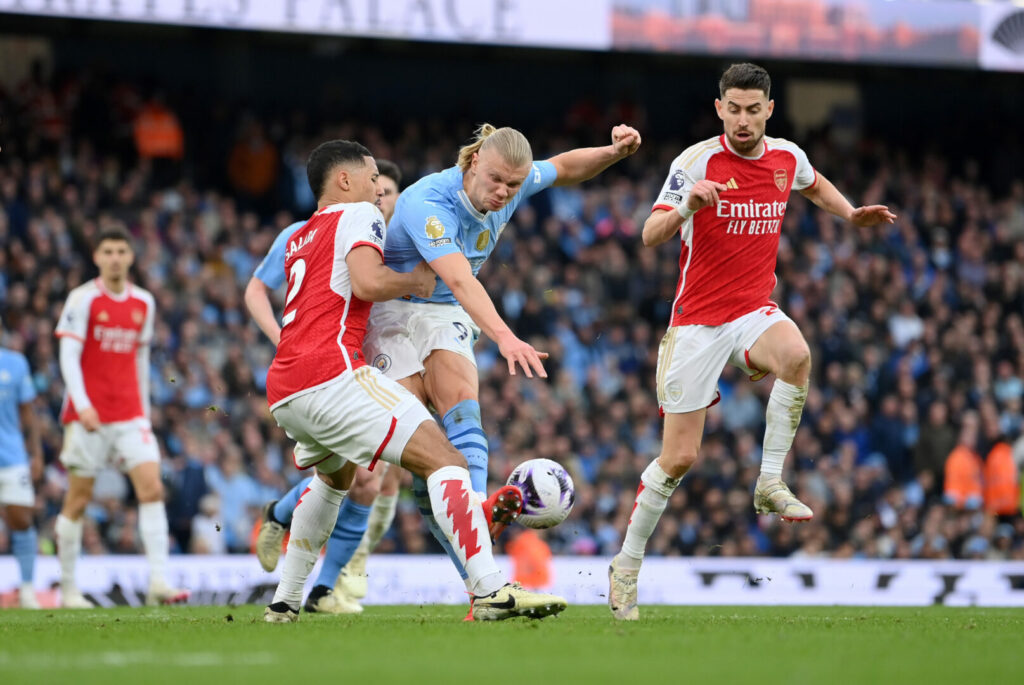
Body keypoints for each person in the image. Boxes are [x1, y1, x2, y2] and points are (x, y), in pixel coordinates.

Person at [607, 63, 896, 621]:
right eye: (733, 109)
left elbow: (813, 185)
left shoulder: (787, 156)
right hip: (696, 323)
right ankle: (626, 565)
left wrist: (849, 213)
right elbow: (648, 234)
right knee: (680, 457)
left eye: (753, 109)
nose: (743, 120)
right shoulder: (695, 162)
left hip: (753, 310)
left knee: (797, 355)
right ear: (720, 109)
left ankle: (769, 482)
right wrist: (688, 205)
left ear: (769, 109)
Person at [263, 139, 565, 622]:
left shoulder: (300, 235)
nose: (381, 192)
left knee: (333, 481)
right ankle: (490, 590)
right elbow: (367, 283)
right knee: (445, 460)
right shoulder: (360, 216)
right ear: (344, 181)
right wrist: (413, 283)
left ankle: (284, 601)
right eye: (370, 179)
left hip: (284, 385)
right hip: (333, 374)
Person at [367, 122, 641, 603]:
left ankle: (483, 580)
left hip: (445, 312)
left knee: (463, 412)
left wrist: (613, 153)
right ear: (473, 163)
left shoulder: (513, 183)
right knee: (423, 458)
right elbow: (460, 279)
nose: (503, 192)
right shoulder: (429, 203)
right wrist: (506, 336)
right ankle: (476, 553)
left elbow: (564, 167)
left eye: (513, 185)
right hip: (390, 312)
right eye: (495, 180)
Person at [245, 160, 405, 615]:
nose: (383, 197)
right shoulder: (309, 230)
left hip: (384, 359)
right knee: (364, 476)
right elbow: (256, 289)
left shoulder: (399, 238)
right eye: (378, 185)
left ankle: (323, 579)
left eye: (390, 190)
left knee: (373, 482)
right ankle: (321, 586)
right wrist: (283, 338)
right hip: (335, 364)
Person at [54, 228, 189, 608]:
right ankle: (67, 589)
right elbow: (68, 356)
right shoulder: (82, 299)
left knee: (152, 489)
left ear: (131, 257)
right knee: (78, 499)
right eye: (108, 251)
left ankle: (159, 582)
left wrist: (144, 413)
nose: (115, 257)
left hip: (130, 413)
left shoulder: (144, 302)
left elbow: (141, 360)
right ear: (97, 257)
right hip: (88, 414)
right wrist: (82, 405)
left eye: (121, 251)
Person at [0, 318, 43, 608]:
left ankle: (27, 590)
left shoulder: (15, 363)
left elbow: (29, 413)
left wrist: (36, 453)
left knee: (20, 520)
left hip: (11, 456)